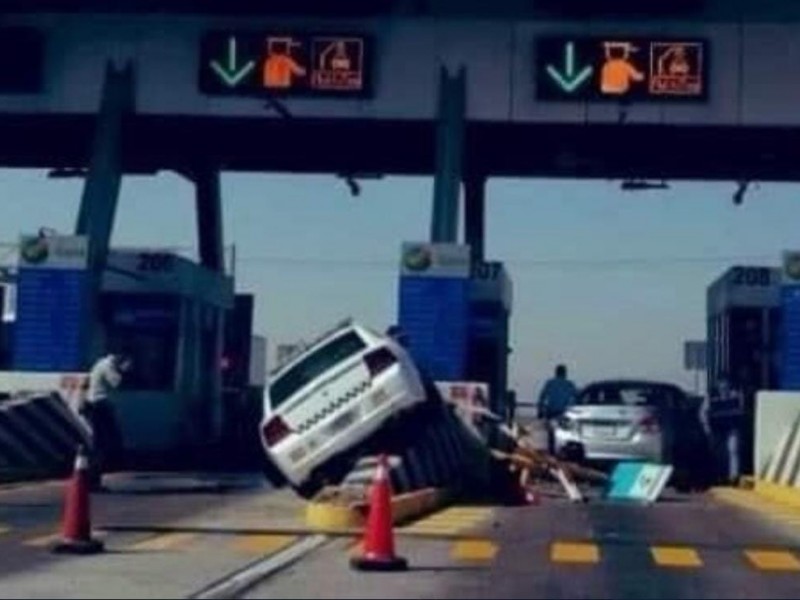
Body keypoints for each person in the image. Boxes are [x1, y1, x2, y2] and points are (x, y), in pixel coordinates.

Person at [81, 353, 132, 491]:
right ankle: (93, 479)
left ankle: (94, 478)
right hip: (100, 405)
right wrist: (122, 371)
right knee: (102, 443)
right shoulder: (108, 366)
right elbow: (116, 383)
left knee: (101, 442)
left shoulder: (100, 363)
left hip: (96, 404)